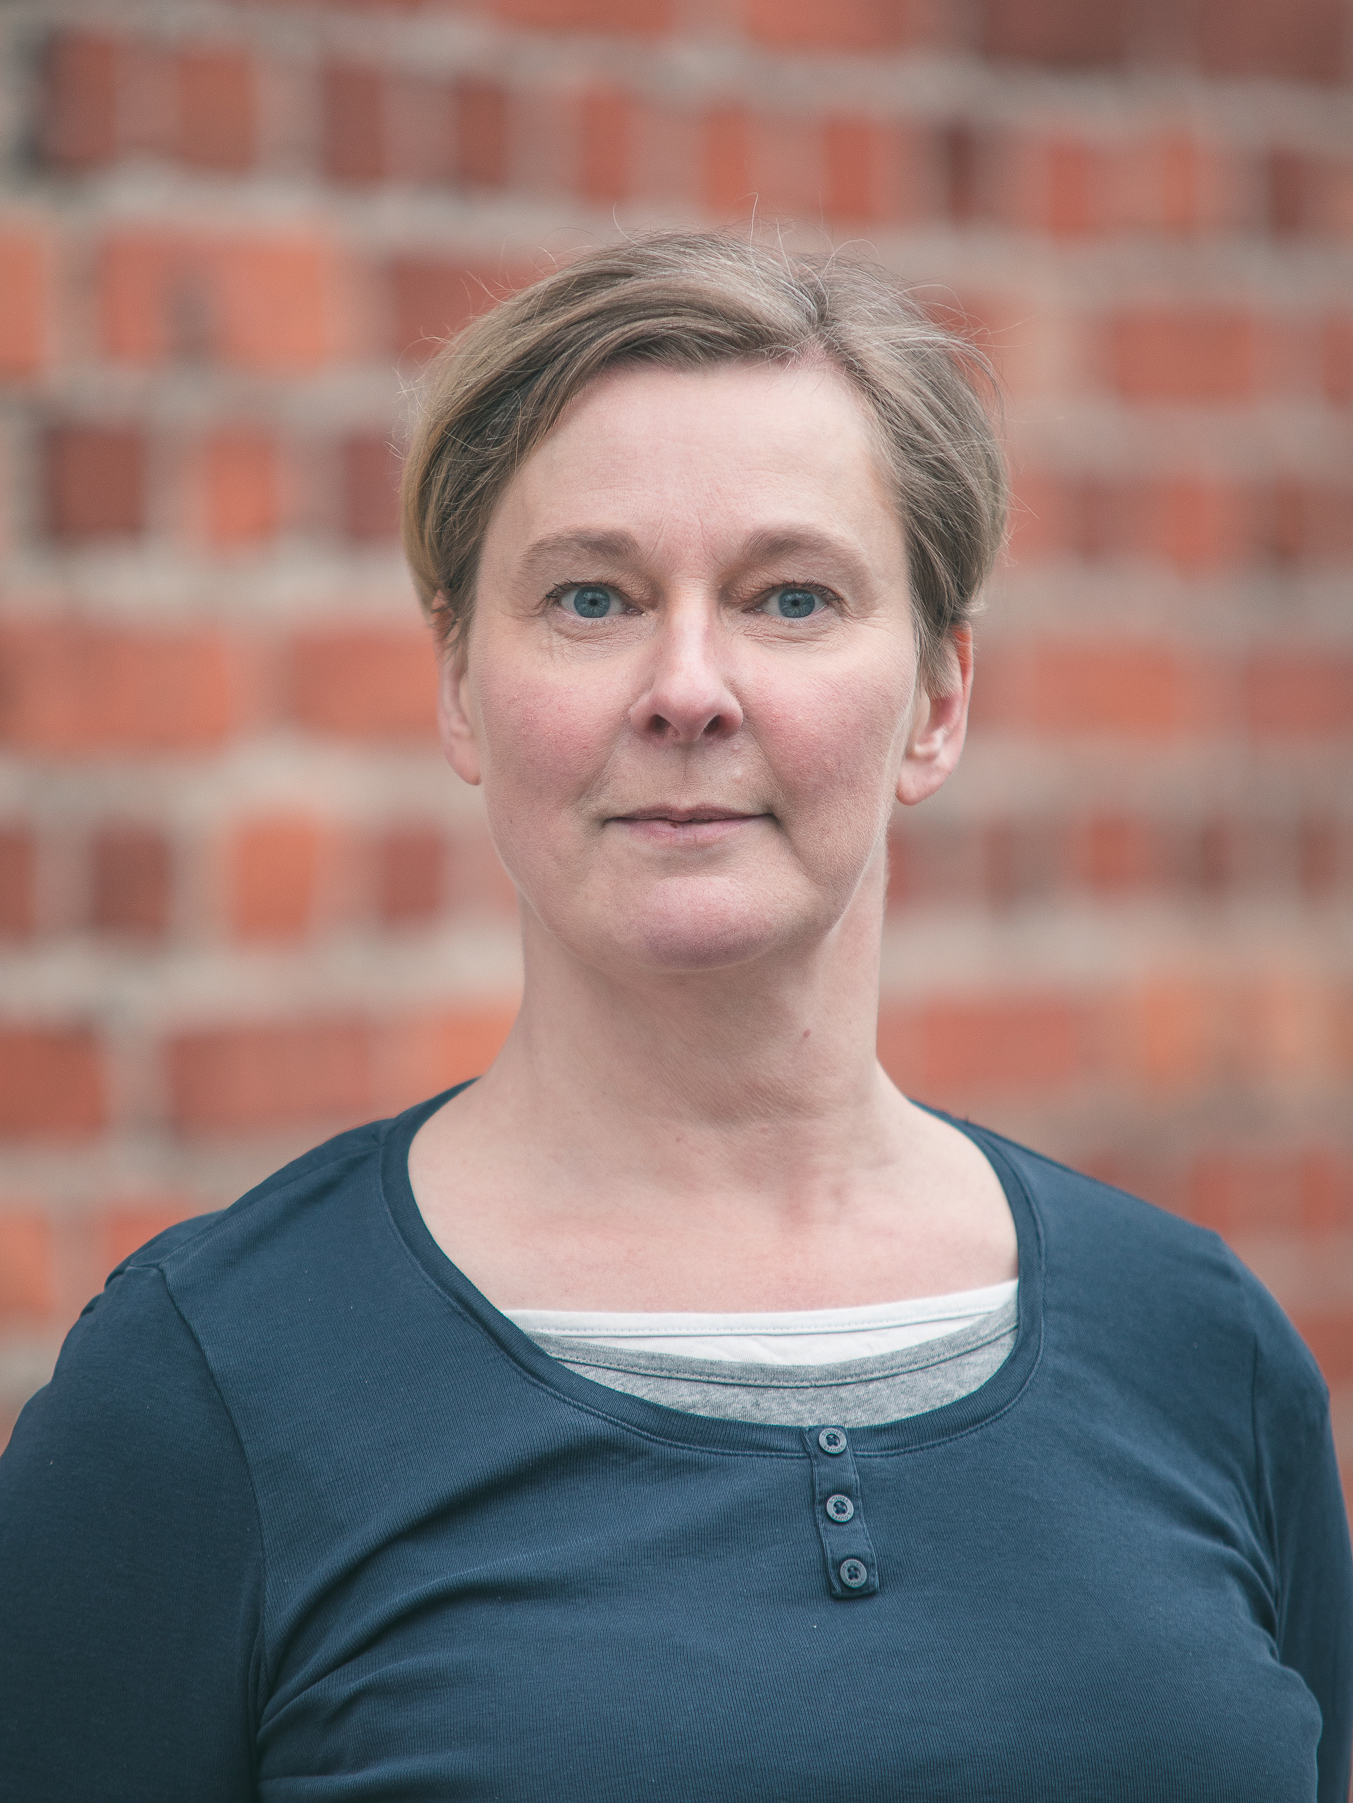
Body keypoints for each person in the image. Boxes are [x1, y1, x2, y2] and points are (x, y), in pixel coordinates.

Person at [1, 231, 1349, 1803]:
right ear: (458, 685)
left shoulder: (1199, 1349)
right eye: (591, 597)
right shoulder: (207, 1388)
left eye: (791, 598)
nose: (688, 688)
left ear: (938, 699)